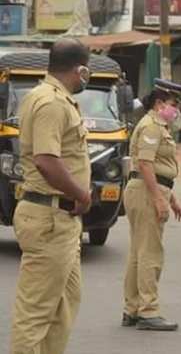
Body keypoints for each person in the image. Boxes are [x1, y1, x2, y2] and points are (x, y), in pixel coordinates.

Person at [10, 38, 92, 354]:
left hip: (60, 219)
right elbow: (46, 160)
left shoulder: (54, 98)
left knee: (65, 302)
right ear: (81, 69)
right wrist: (82, 194)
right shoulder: (51, 103)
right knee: (36, 311)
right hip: (50, 217)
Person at [122, 78, 181, 331]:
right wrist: (159, 198)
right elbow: (146, 165)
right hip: (146, 192)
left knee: (139, 252)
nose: (176, 110)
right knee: (150, 252)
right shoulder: (151, 126)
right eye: (173, 104)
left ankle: (132, 308)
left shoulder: (158, 125)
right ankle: (148, 311)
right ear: (159, 103)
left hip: (149, 190)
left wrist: (172, 199)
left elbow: (159, 170)